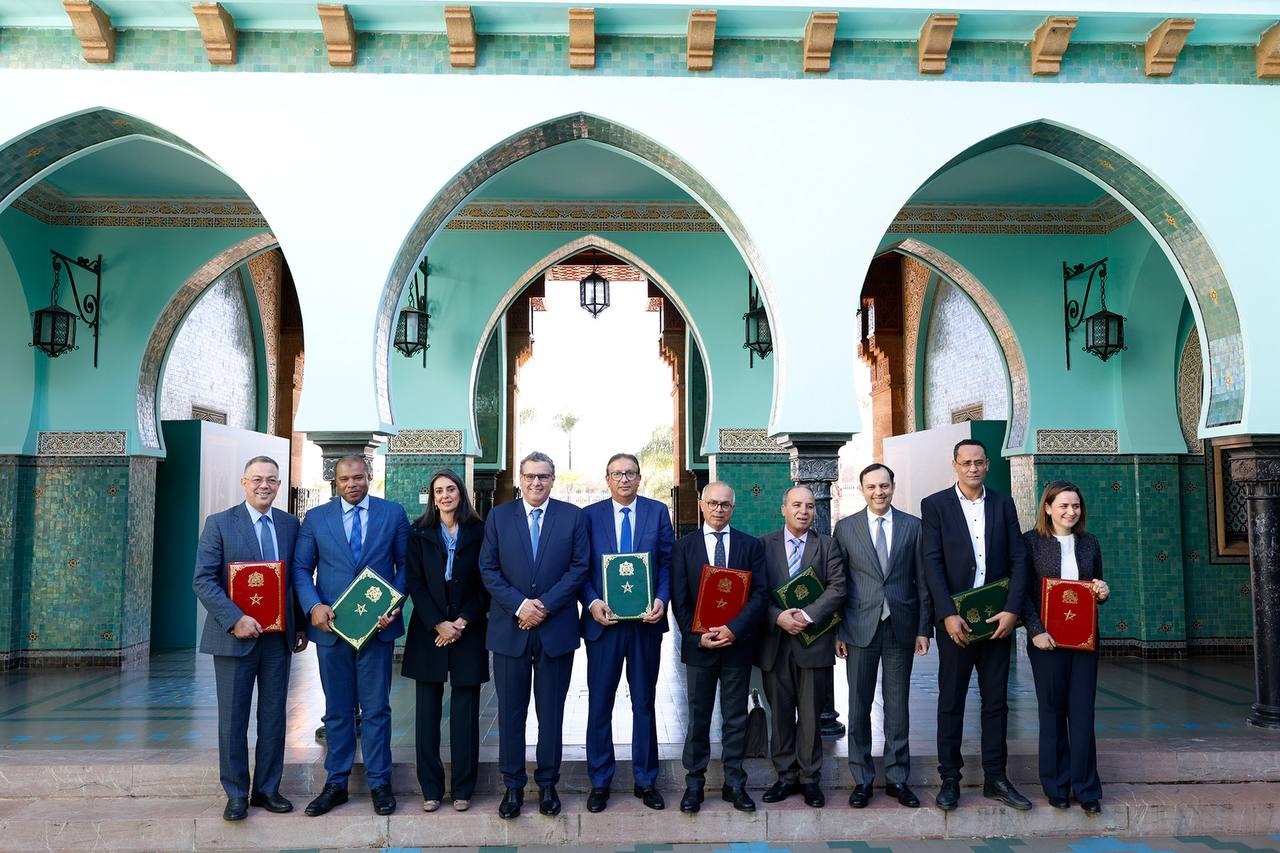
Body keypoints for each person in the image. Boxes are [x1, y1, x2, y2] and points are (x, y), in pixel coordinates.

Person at [292, 455, 410, 817]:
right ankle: (336, 783)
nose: (352, 484)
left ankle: (379, 782)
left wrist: (393, 605)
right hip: (332, 630)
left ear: (369, 476)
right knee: (338, 710)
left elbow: (406, 565)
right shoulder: (316, 518)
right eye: (344, 479)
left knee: (377, 709)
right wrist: (313, 606)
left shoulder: (393, 514)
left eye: (358, 477)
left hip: (377, 630)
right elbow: (300, 568)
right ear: (335, 481)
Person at [193, 455, 308, 822]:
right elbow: (203, 580)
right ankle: (236, 793)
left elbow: (296, 578)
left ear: (279, 485)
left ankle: (267, 789)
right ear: (244, 483)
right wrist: (235, 619)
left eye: (271, 480)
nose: (264, 485)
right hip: (234, 639)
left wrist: (301, 625)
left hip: (277, 639)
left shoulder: (290, 525)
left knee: (273, 716)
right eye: (257, 479)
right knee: (233, 719)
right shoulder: (219, 524)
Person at [921, 438, 1030, 812]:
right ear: (955, 465)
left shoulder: (1003, 503)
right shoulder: (935, 505)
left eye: (979, 462)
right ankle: (950, 779)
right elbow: (932, 562)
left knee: (996, 702)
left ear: (987, 465)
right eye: (966, 462)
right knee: (951, 701)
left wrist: (1013, 611)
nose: (973, 468)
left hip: (997, 621)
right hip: (956, 624)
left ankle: (996, 778)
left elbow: (1019, 559)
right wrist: (947, 613)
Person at [479, 451, 589, 820]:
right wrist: (520, 606)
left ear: (552, 480)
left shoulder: (572, 517)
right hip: (510, 630)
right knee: (511, 713)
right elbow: (488, 569)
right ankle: (512, 785)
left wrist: (543, 605)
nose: (536, 482)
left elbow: (579, 568)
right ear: (520, 480)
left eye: (543, 476)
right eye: (529, 476)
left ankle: (547, 784)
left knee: (550, 713)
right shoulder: (499, 517)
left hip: (555, 630)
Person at [832, 462, 931, 810]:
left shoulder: (913, 526)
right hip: (859, 628)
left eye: (884, 486)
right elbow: (839, 583)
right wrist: (838, 630)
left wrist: (924, 629)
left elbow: (923, 583)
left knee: (897, 706)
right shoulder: (846, 528)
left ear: (893, 486)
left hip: (900, 628)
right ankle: (862, 779)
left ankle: (897, 777)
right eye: (872, 486)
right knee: (858, 706)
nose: (879, 492)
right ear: (862, 489)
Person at [580, 453, 674, 813]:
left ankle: (646, 780)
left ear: (639, 477)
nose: (624, 479)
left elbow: (666, 562)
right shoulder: (589, 516)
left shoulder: (657, 512)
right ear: (607, 479)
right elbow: (580, 567)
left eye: (630, 473)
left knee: (644, 703)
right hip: (603, 626)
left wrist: (662, 598)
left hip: (645, 626)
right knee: (600, 703)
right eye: (617, 473)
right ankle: (599, 781)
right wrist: (592, 602)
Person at [669, 481, 768, 814]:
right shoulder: (684, 547)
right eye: (712, 503)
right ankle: (694, 783)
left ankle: (734, 783)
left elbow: (760, 595)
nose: (718, 509)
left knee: (735, 717)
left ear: (733, 508)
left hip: (736, 646)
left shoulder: (750, 546)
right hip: (700, 648)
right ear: (701, 504)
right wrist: (696, 636)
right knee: (698, 717)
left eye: (725, 504)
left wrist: (734, 630)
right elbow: (679, 600)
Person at [401, 469, 489, 814]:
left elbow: (485, 582)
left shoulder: (480, 531)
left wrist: (462, 621)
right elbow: (415, 582)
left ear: (461, 493)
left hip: (469, 630)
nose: (445, 495)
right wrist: (438, 623)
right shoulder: (418, 532)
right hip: (430, 632)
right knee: (427, 715)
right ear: (432, 497)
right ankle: (431, 788)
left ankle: (463, 788)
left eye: (451, 489)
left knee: (465, 715)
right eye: (439, 491)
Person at [1020, 480, 1110, 815]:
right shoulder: (1030, 543)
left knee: (1083, 713)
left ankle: (1087, 788)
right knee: (1053, 712)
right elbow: (1022, 593)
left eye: (1075, 506)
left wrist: (1102, 591)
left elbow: (1095, 586)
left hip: (1084, 640)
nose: (1071, 512)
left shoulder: (1090, 543)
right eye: (1063, 506)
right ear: (1047, 508)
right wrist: (1036, 631)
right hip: (1046, 642)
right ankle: (1056, 786)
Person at [756, 485, 846, 809]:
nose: (803, 511)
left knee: (810, 716)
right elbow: (755, 592)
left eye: (809, 506)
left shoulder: (828, 545)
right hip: (775, 644)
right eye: (796, 505)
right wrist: (778, 617)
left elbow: (838, 588)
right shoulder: (763, 545)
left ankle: (809, 779)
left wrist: (806, 615)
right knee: (780, 714)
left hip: (813, 643)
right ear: (783, 508)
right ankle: (785, 776)